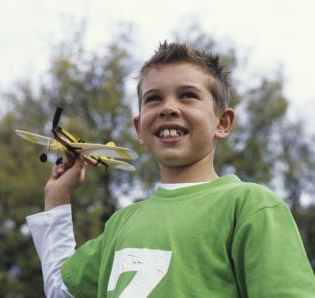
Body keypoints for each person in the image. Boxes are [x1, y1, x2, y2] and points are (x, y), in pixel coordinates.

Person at [26, 42, 315, 297]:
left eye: (188, 95)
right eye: (153, 98)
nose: (168, 108)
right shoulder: (121, 223)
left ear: (222, 123)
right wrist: (57, 197)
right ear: (139, 128)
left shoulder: (250, 206)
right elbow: (60, 289)